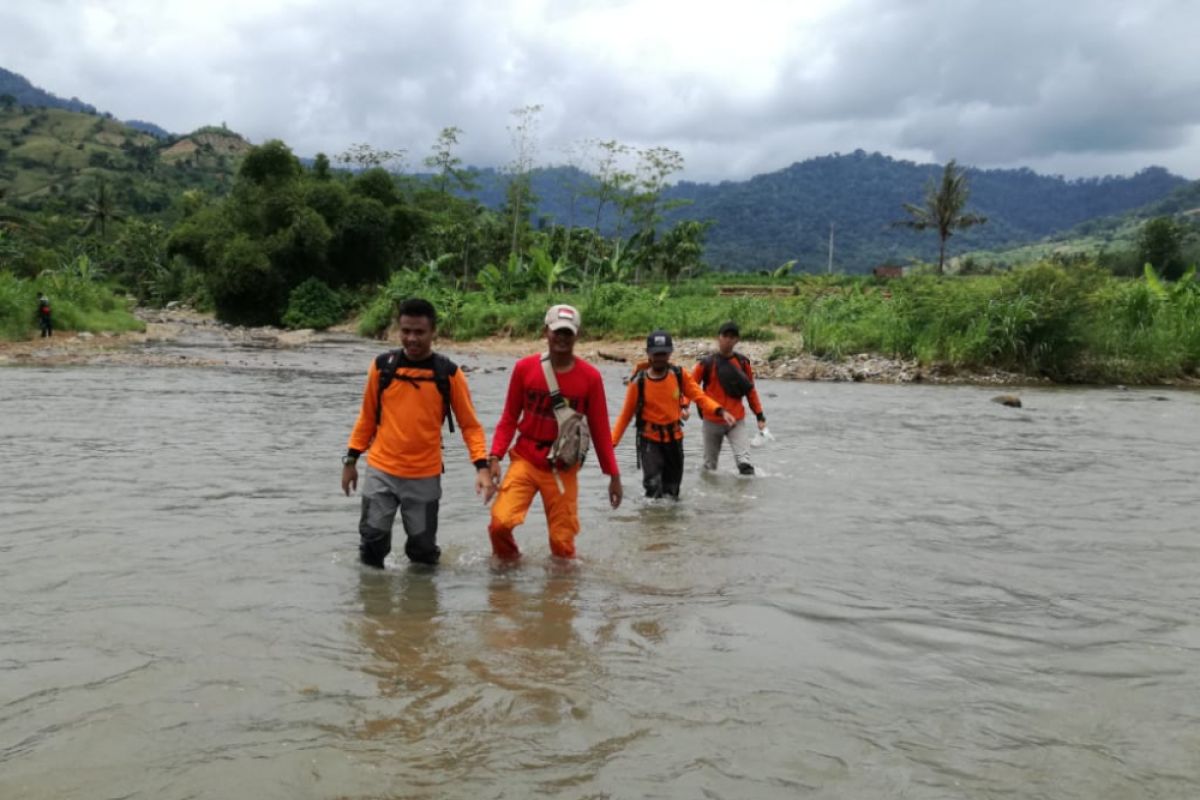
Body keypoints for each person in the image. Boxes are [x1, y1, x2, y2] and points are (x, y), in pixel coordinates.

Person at [342, 298, 494, 568]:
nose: (411, 339)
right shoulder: (382, 368)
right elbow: (366, 418)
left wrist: (481, 467)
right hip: (381, 469)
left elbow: (470, 426)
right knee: (372, 542)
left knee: (422, 552)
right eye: (406, 331)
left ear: (433, 331)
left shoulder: (448, 374)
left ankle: (423, 606)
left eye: (419, 332)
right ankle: (374, 605)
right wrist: (350, 460)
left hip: (424, 474)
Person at [486, 304, 623, 560]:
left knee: (562, 544)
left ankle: (560, 593)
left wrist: (613, 475)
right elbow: (508, 417)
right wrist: (495, 456)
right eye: (556, 331)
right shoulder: (524, 368)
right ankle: (507, 571)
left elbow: (601, 430)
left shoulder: (590, 378)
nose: (561, 338)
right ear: (545, 332)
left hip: (563, 467)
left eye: (567, 333)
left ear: (577, 335)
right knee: (500, 524)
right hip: (525, 459)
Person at [611, 330, 735, 499]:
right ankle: (654, 523)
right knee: (653, 488)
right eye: (656, 354)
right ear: (648, 353)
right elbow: (625, 416)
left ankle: (671, 524)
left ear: (670, 353)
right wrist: (611, 444)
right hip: (649, 442)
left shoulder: (679, 375)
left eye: (663, 354)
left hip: (674, 441)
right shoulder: (638, 383)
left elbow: (700, 396)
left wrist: (720, 410)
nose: (660, 358)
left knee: (672, 492)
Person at [691, 321, 767, 475]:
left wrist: (760, 415)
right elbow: (690, 387)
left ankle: (745, 498)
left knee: (745, 465)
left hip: (736, 421)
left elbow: (750, 391)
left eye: (732, 337)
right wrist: (683, 406)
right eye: (725, 336)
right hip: (712, 421)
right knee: (709, 469)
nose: (728, 340)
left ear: (737, 340)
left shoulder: (743, 363)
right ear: (718, 338)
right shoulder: (706, 364)